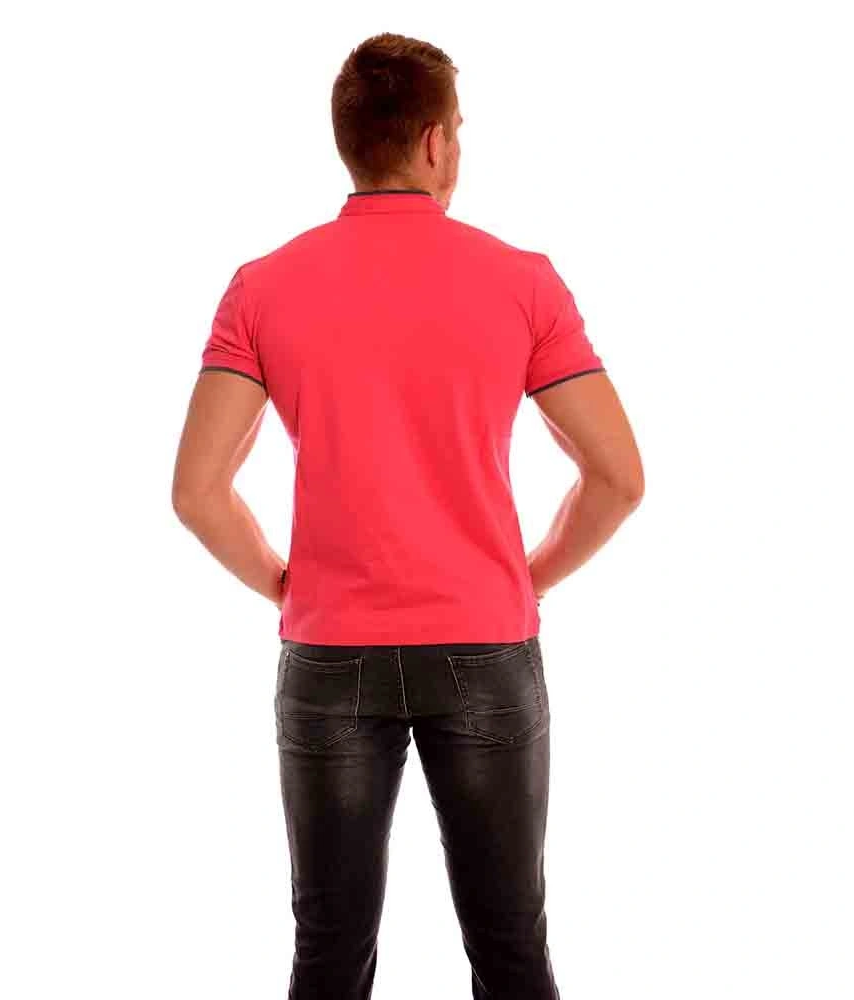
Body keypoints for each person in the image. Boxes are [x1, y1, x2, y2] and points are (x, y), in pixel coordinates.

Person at [172, 30, 644, 1000]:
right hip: (485, 642)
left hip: (329, 651)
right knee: (512, 951)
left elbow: (197, 490)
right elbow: (618, 476)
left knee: (327, 958)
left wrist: (285, 584)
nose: (458, 147)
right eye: (458, 129)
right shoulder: (522, 280)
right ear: (434, 142)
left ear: (350, 141)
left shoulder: (263, 286)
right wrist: (524, 576)